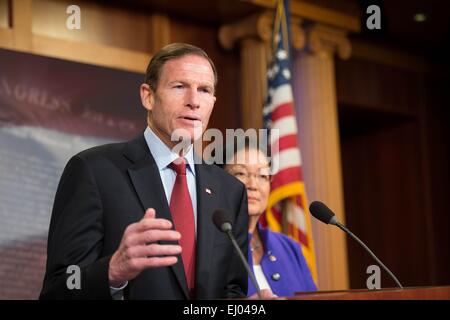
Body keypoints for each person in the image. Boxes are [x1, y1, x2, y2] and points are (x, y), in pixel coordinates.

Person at [40, 43, 248, 300]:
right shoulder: (94, 171)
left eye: (204, 90)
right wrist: (113, 271)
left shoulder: (230, 190)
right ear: (148, 96)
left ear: (213, 103)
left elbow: (232, 292)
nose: (194, 101)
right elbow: (58, 290)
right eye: (179, 86)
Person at [224, 144, 317, 297]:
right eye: (241, 173)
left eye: (262, 176)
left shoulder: (290, 248)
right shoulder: (207, 247)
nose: (253, 185)